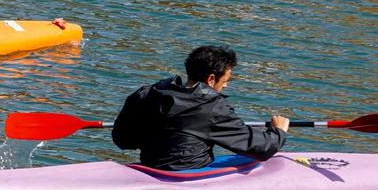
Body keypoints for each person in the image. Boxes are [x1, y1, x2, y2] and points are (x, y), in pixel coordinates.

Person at [111, 45, 290, 171]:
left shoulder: (146, 93)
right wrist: (277, 132)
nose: (225, 86)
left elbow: (123, 140)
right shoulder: (213, 107)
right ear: (211, 79)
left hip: (148, 168)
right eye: (225, 82)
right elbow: (259, 149)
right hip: (186, 176)